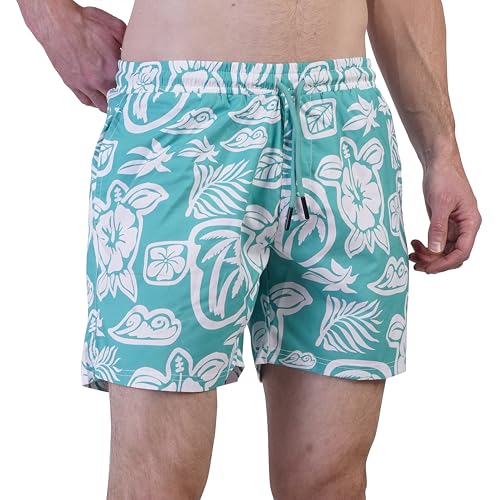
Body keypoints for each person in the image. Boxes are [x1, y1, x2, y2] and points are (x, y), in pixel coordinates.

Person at [17, 0, 481, 498]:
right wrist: (52, 20)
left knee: (331, 479)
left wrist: (442, 150)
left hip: (345, 129)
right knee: (156, 478)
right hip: (184, 120)